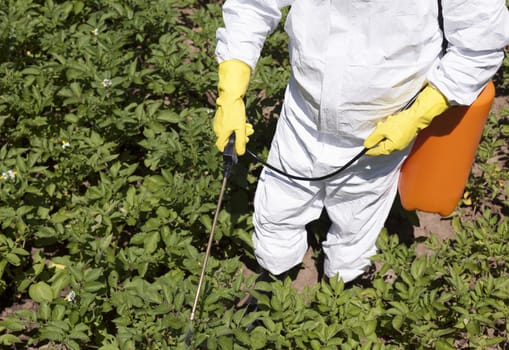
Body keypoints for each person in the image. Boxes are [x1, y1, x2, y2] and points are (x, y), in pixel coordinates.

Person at [213, 1, 509, 283]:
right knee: (279, 203)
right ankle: (274, 279)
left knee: (358, 216)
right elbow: (251, 4)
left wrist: (421, 112)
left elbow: (479, 42)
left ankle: (341, 289)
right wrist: (231, 89)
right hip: (304, 108)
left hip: (384, 121)